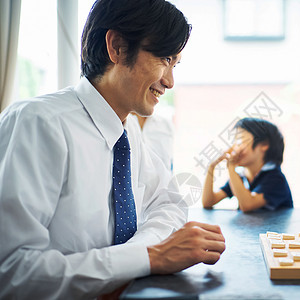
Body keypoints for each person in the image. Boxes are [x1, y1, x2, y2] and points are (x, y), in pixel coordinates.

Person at [0, 1, 225, 298]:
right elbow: (12, 273)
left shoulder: (127, 129)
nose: (169, 82)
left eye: (175, 65)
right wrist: (150, 258)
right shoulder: (38, 124)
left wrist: (140, 254)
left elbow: (169, 203)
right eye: (164, 59)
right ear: (117, 46)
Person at [202, 118, 293, 212]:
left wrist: (231, 167)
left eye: (240, 141)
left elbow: (247, 205)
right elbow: (208, 202)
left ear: (264, 144)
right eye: (235, 142)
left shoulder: (276, 179)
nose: (234, 148)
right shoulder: (242, 175)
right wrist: (211, 167)